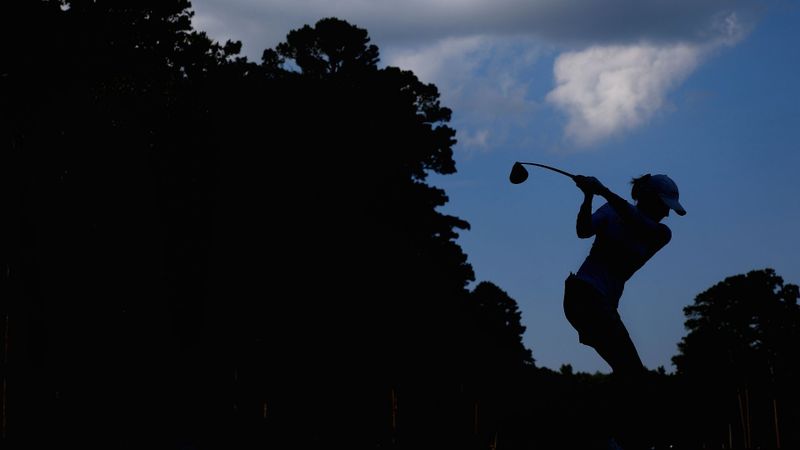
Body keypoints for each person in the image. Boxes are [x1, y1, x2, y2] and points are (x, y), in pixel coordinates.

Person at [563, 173, 686, 449]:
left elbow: (635, 220)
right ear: (650, 200)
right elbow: (583, 230)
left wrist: (602, 191)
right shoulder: (612, 209)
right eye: (664, 205)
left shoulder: (660, 233)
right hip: (584, 295)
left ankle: (604, 435)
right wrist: (588, 196)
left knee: (628, 373)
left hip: (595, 302)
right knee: (632, 373)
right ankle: (612, 438)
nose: (667, 213)